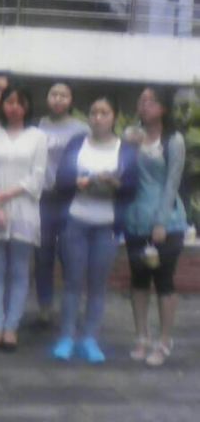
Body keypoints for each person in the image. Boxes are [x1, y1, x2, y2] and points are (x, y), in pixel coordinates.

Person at [52, 95, 138, 363]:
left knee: (98, 285)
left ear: (114, 117)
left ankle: (89, 338)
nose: (98, 118)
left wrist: (115, 184)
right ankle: (66, 337)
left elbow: (132, 186)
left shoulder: (125, 149)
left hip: (107, 225)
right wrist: (79, 182)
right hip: (75, 220)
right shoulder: (77, 143)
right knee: (72, 282)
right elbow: (61, 180)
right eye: (93, 112)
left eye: (104, 112)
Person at [0, 85, 47, 351]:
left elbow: (38, 175)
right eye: (9, 102)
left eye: (19, 102)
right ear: (1, 105)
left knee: (19, 270)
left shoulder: (38, 137)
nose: (14, 107)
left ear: (27, 106)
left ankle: (11, 327)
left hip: (23, 207)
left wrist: (5, 195)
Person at [123, 87, 189, 367]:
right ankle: (141, 336)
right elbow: (123, 173)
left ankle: (164, 340)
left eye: (150, 101)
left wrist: (161, 221)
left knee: (163, 280)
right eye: (141, 101)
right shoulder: (131, 137)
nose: (144, 105)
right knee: (138, 280)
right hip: (135, 217)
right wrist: (128, 145)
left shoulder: (173, 140)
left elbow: (172, 182)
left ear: (163, 108)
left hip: (167, 220)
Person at [35, 82, 89, 327]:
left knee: (71, 254)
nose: (58, 99)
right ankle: (45, 307)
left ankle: (73, 305)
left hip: (71, 198)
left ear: (71, 99)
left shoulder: (82, 129)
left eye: (64, 95)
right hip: (42, 198)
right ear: (47, 98)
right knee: (42, 255)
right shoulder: (37, 127)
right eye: (54, 94)